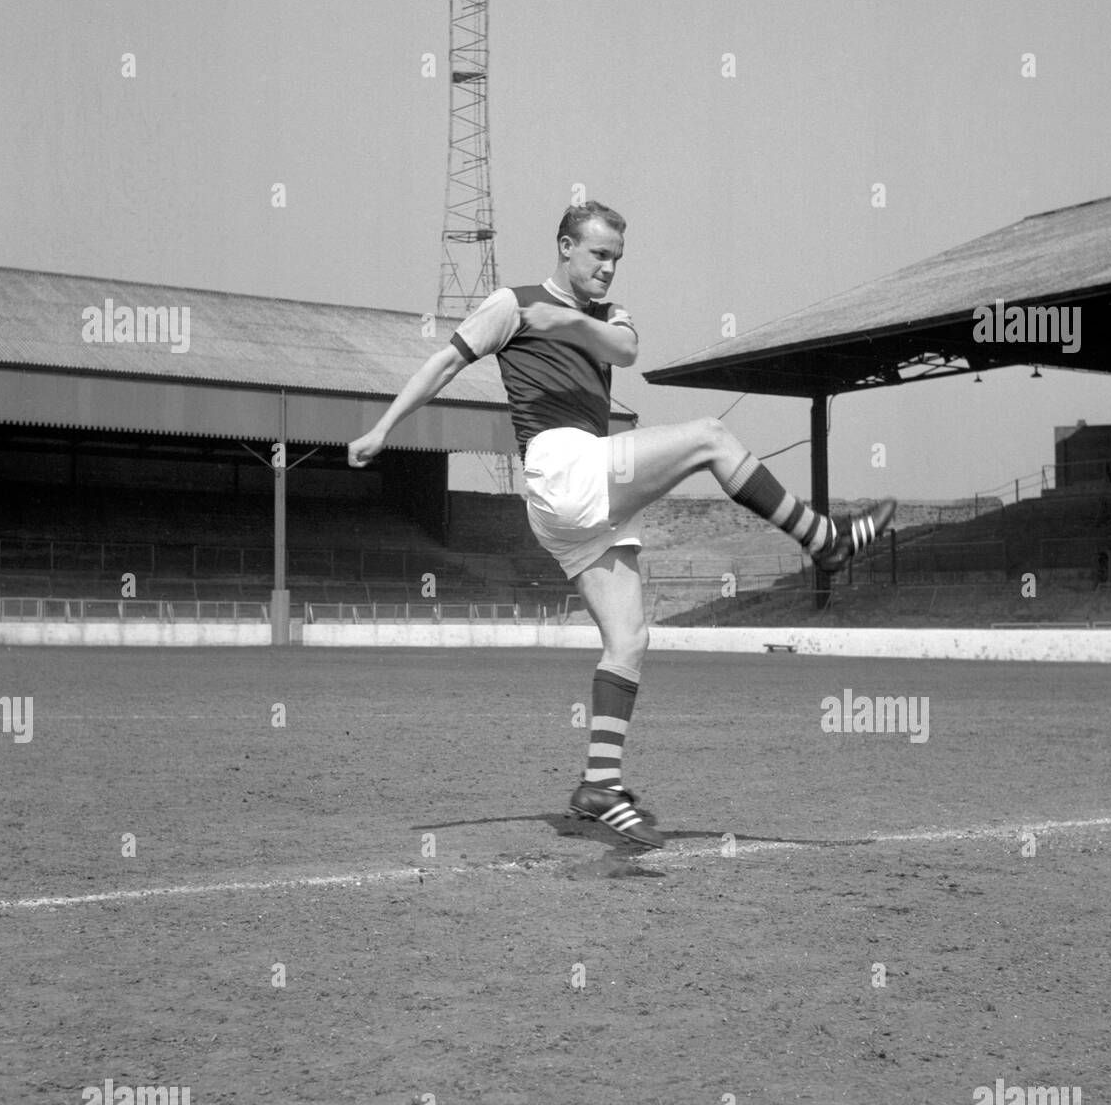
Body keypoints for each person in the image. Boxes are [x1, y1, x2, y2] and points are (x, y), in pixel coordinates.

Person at [349, 202, 895, 849]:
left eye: (617, 259)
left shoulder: (608, 316)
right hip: (561, 466)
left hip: (582, 500)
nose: (608, 268)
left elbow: (628, 350)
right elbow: (444, 363)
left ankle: (598, 786)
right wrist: (384, 426)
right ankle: (823, 541)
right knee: (712, 439)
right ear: (565, 246)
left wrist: (571, 322)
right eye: (598, 255)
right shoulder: (511, 303)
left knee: (630, 639)